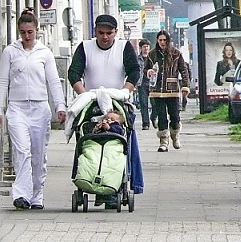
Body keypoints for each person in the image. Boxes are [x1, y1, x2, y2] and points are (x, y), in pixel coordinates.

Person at [0, 11, 67, 210]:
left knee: (38, 153)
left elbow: (53, 81)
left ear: (37, 31)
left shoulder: (44, 53)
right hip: (17, 108)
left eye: (30, 32)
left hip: (39, 108)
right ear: (19, 32)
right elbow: (2, 81)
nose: (27, 36)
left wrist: (60, 106)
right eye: (23, 32)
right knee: (22, 150)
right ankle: (21, 194)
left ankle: (37, 194)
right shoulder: (10, 52)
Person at [68, 14, 143, 204]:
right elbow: (74, 73)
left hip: (116, 104)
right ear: (95, 32)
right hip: (91, 104)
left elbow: (134, 71)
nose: (105, 37)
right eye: (101, 33)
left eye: (109, 33)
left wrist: (125, 91)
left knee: (119, 141)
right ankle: (89, 177)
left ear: (115, 33)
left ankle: (117, 185)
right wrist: (84, 94)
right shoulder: (85, 48)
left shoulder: (123, 47)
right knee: (90, 142)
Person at [145, 30, 191, 152]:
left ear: (168, 40)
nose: (162, 42)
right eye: (160, 40)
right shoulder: (152, 54)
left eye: (164, 40)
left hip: (172, 90)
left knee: (175, 116)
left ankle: (175, 135)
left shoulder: (176, 54)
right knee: (161, 116)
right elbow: (145, 69)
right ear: (157, 40)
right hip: (157, 90)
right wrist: (148, 72)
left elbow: (184, 71)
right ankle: (163, 141)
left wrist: (185, 86)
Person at [136, 39, 152, 129]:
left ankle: (153, 117)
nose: (146, 48)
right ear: (141, 48)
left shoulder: (153, 58)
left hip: (152, 83)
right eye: (144, 47)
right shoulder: (137, 59)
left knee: (155, 103)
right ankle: (145, 123)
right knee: (143, 104)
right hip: (141, 83)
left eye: (147, 47)